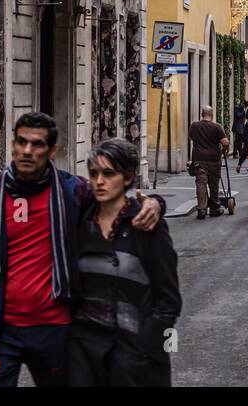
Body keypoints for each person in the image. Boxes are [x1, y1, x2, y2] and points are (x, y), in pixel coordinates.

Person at [0, 112, 164, 386]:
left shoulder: (73, 192)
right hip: (0, 331)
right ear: (12, 144)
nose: (27, 151)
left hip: (57, 329)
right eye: (21, 142)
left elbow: (119, 204)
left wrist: (154, 202)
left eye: (37, 144)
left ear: (51, 150)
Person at [67, 139, 181, 387]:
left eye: (109, 173)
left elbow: (168, 300)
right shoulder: (81, 221)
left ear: (128, 177)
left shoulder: (146, 224)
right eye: (94, 173)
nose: (99, 181)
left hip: (134, 359)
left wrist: (144, 346)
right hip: (85, 356)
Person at [188, 106, 229, 220]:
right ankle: (215, 208)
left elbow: (190, 138)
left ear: (202, 114)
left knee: (201, 183)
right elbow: (225, 142)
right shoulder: (217, 127)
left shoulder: (194, 126)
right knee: (213, 184)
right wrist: (223, 151)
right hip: (214, 160)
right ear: (212, 114)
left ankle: (202, 208)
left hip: (199, 159)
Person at [231, 100, 247, 170]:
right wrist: (243, 111)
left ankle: (239, 153)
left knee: (239, 140)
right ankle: (235, 153)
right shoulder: (238, 107)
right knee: (237, 141)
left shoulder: (240, 108)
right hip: (238, 127)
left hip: (240, 127)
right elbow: (238, 115)